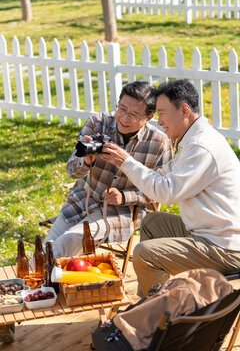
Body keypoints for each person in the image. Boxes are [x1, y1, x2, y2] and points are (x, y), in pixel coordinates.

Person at [99, 79, 240, 297]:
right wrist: (124, 160)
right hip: (208, 233)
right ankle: (153, 299)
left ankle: (157, 319)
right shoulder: (192, 139)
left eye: (163, 113)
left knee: (145, 253)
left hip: (227, 248)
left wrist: (126, 162)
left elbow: (167, 194)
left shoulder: (202, 146)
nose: (160, 121)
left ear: (184, 110)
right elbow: (165, 174)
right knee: (153, 223)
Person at [42, 81, 173, 259]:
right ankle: (36, 284)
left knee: (68, 241)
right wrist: (86, 161)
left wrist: (124, 196)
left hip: (121, 212)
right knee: (47, 247)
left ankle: (39, 284)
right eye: (122, 109)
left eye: (134, 115)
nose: (125, 118)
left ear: (149, 118)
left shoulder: (160, 143)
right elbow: (72, 171)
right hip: (82, 200)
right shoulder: (97, 123)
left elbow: (162, 192)